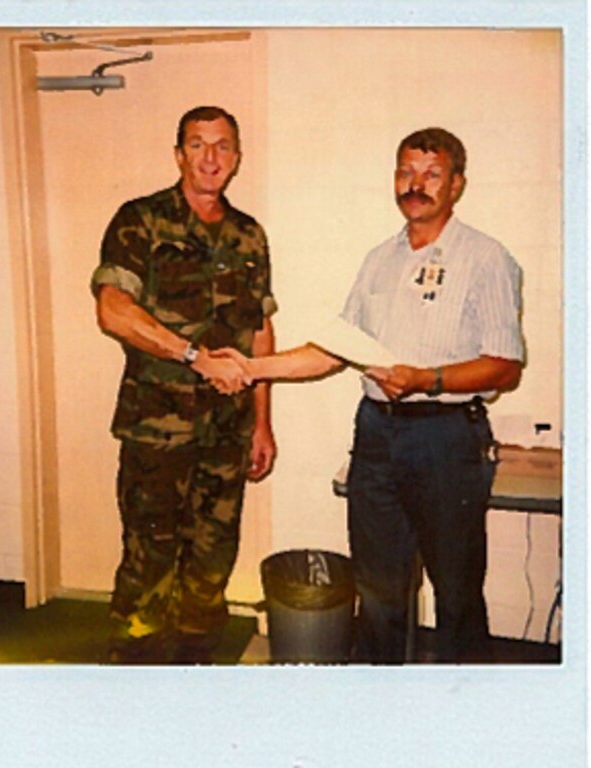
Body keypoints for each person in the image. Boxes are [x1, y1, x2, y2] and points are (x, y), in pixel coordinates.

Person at [214, 127, 524, 664]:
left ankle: (467, 718)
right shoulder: (379, 259)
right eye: (406, 171)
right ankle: (379, 712)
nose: (416, 184)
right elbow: (334, 349)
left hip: (446, 439)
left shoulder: (486, 258)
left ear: (456, 185)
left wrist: (427, 380)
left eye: (431, 174)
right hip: (377, 435)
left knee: (456, 594)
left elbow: (505, 366)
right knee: (378, 593)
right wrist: (251, 367)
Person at [91, 106, 277, 664]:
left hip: (228, 429)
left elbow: (260, 330)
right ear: (179, 155)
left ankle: (196, 660)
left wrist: (263, 422)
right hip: (158, 429)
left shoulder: (250, 235)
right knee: (150, 553)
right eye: (198, 145)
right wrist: (193, 356)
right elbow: (112, 310)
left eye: (223, 146)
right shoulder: (141, 220)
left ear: (238, 158)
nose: (211, 157)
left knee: (214, 554)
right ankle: (137, 667)